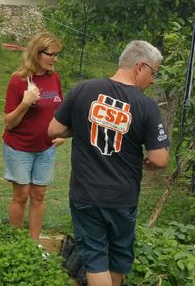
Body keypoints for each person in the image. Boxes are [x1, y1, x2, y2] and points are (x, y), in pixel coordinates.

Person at [48, 40, 170, 286]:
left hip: (86, 194)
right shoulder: (146, 106)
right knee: (117, 258)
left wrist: (84, 128)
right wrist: (150, 162)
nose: (153, 79)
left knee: (95, 260)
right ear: (140, 66)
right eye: (153, 72)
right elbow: (160, 158)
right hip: (121, 197)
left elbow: (54, 129)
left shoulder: (83, 89)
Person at [3, 32, 66, 240]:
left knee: (38, 195)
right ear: (36, 53)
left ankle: (34, 243)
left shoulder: (54, 78)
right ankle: (17, 243)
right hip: (20, 147)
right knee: (21, 196)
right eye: (51, 54)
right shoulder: (18, 81)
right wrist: (25, 102)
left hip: (46, 148)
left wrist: (62, 132)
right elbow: (9, 123)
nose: (55, 58)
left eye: (57, 54)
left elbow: (60, 110)